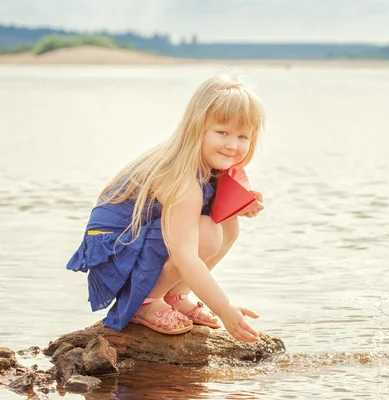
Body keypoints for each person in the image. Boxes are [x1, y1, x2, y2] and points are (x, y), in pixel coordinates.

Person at [66, 73, 265, 343]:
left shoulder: (210, 168)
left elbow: (205, 218)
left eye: (243, 136)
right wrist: (224, 308)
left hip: (142, 241)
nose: (233, 145)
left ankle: (175, 295)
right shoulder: (182, 177)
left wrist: (237, 205)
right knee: (207, 232)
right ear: (197, 128)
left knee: (227, 225)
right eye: (222, 132)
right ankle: (146, 301)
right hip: (115, 251)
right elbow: (185, 254)